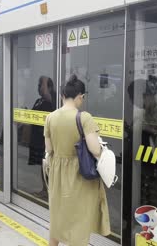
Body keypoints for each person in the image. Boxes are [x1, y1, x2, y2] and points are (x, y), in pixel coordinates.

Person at [44, 74, 110, 246]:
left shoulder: (50, 117)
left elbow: (49, 149)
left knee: (58, 215)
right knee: (79, 219)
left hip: (57, 172)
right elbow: (95, 149)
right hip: (79, 174)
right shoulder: (84, 117)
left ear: (62, 96)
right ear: (80, 96)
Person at [29, 76, 56, 200]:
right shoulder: (38, 100)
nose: (39, 88)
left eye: (41, 85)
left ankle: (49, 191)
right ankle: (45, 190)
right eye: (38, 85)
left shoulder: (52, 99)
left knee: (47, 165)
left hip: (47, 138)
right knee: (42, 165)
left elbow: (47, 96)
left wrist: (44, 80)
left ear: (49, 87)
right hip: (37, 138)